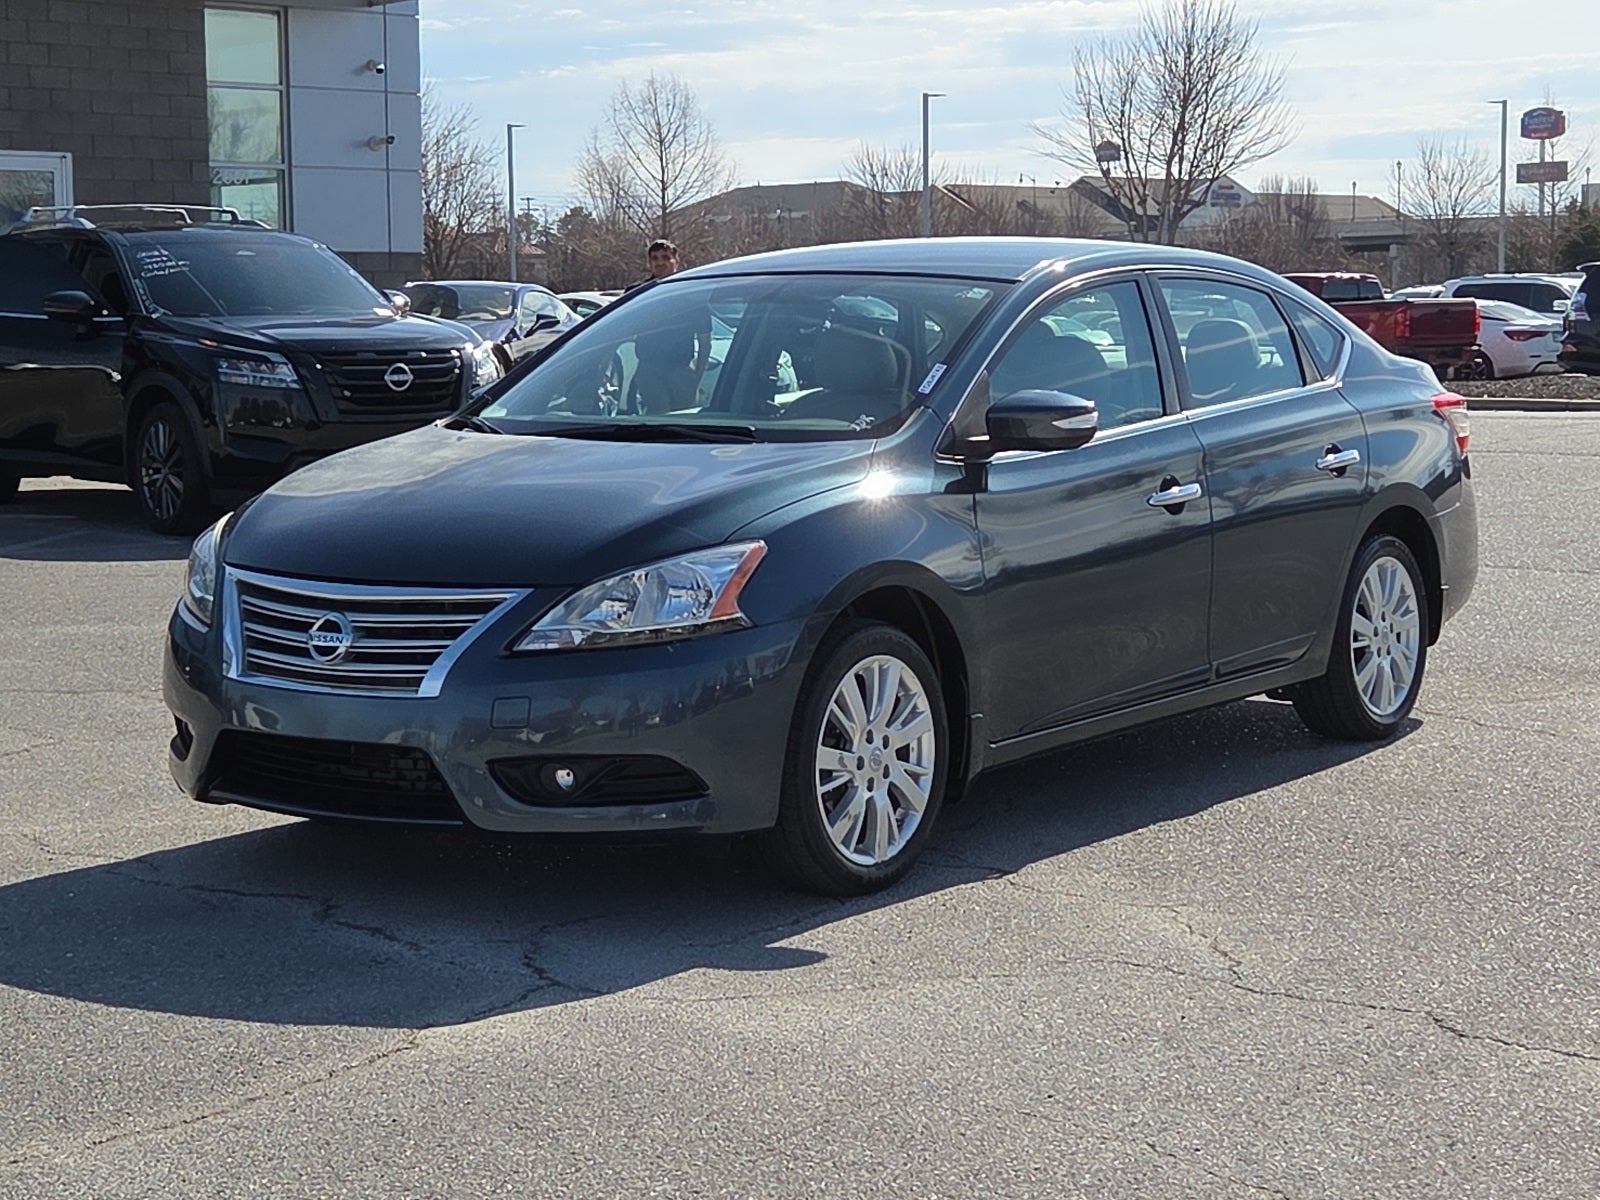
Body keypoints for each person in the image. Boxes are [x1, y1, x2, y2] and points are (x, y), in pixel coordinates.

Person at [626, 238, 711, 414]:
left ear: (676, 261)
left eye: (665, 257)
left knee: (684, 420)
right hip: (649, 368)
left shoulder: (693, 296)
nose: (660, 263)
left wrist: (697, 377)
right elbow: (616, 333)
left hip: (681, 370)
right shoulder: (638, 294)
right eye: (655, 258)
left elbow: (705, 341)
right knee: (658, 418)